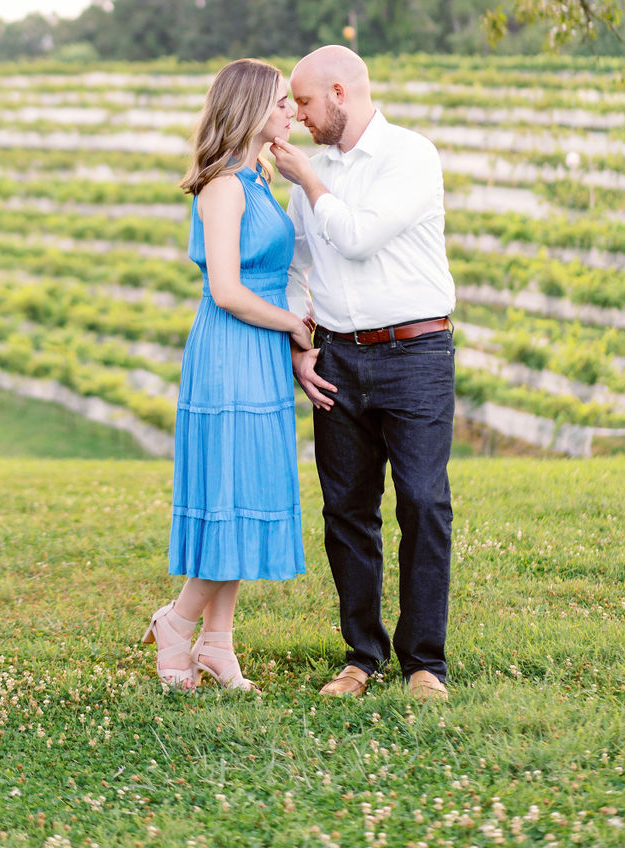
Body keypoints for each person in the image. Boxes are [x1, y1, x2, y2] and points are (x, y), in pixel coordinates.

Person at [270, 45, 457, 702]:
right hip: (338, 357)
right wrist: (299, 341)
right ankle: (361, 655)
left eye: (305, 101)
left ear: (341, 94)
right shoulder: (312, 173)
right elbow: (297, 266)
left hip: (415, 353)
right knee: (346, 508)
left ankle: (424, 662)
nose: (296, 114)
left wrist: (310, 183)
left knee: (423, 502)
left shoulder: (410, 156)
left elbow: (356, 235)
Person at [144, 58, 329, 691]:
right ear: (252, 109)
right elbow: (225, 289)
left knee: (243, 493)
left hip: (259, 353)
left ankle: (218, 644)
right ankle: (177, 624)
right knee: (230, 495)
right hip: (231, 350)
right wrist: (292, 326)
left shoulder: (258, 178)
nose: (291, 112)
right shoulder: (224, 185)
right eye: (281, 102)